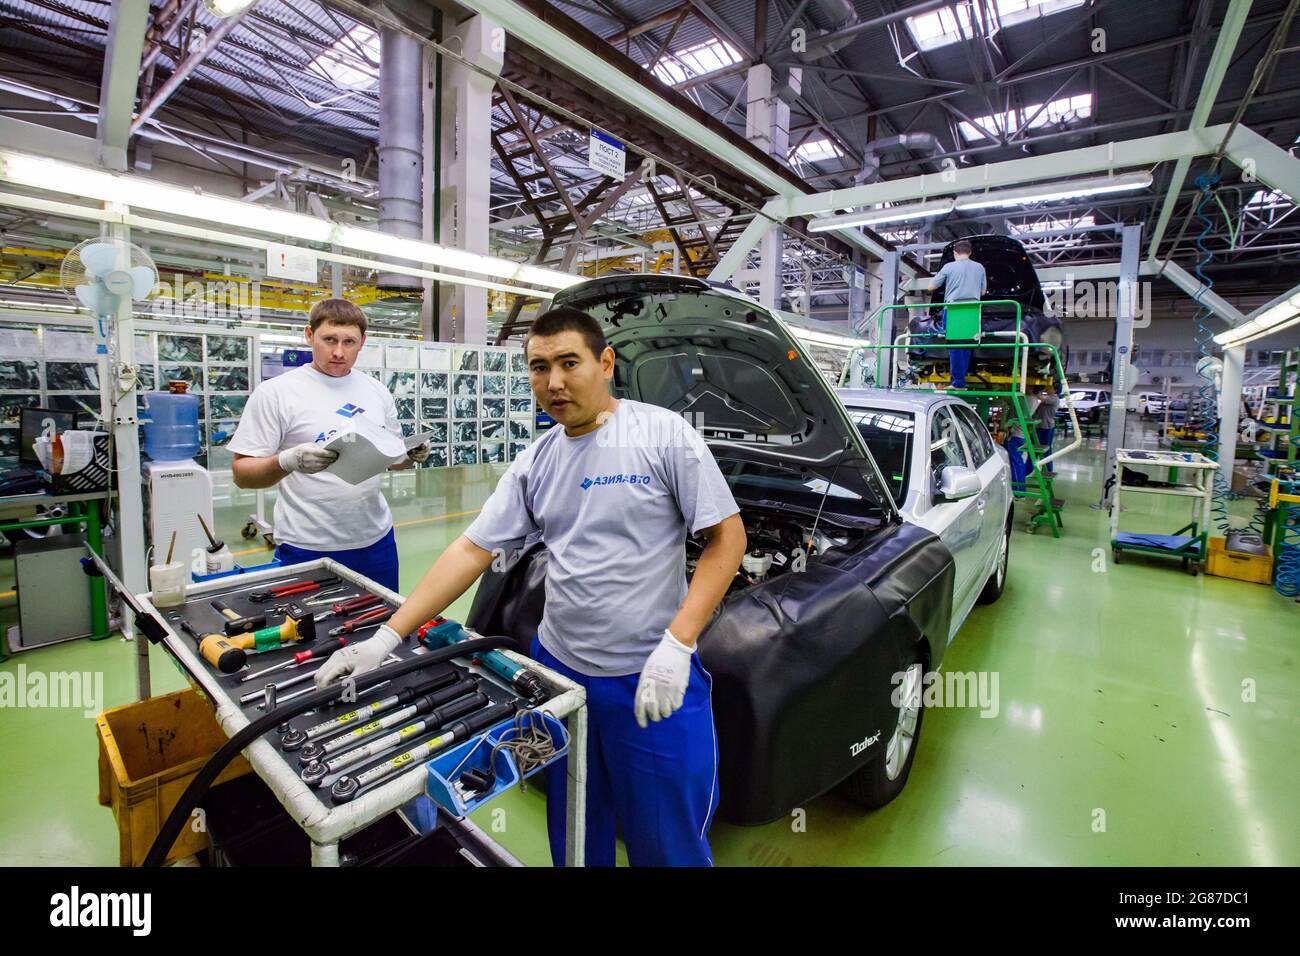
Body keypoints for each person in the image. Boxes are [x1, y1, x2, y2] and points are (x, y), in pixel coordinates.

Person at [314, 306, 748, 867]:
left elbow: (727, 539)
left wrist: (680, 642)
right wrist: (383, 640)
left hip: (651, 676)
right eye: (539, 368)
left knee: (667, 844)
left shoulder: (663, 436)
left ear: (606, 363)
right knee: (574, 829)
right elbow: (472, 549)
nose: (555, 382)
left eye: (570, 363)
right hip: (559, 678)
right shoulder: (535, 460)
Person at [227, 298, 429, 591]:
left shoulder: (377, 391)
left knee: (382, 626)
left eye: (349, 342)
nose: (338, 352)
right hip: (307, 544)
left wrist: (410, 454)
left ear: (362, 342)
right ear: (310, 335)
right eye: (329, 340)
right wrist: (288, 460)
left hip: (376, 541)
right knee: (310, 634)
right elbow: (242, 474)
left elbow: (393, 459)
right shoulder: (277, 393)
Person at [927, 239, 987, 389]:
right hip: (973, 310)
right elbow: (983, 292)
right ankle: (960, 381)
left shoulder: (949, 267)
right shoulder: (979, 267)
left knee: (954, 345)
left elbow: (931, 287)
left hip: (954, 309)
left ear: (955, 253)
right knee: (966, 345)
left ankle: (958, 383)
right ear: (970, 252)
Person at [1031, 385, 1061, 476]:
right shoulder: (1047, 398)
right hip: (1039, 427)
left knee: (1046, 451)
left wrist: (1036, 390)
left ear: (1055, 390)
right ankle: (1028, 470)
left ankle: (1047, 472)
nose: (1047, 388)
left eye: (1050, 387)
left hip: (1046, 428)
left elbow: (1040, 397)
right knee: (1034, 451)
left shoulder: (1054, 399)